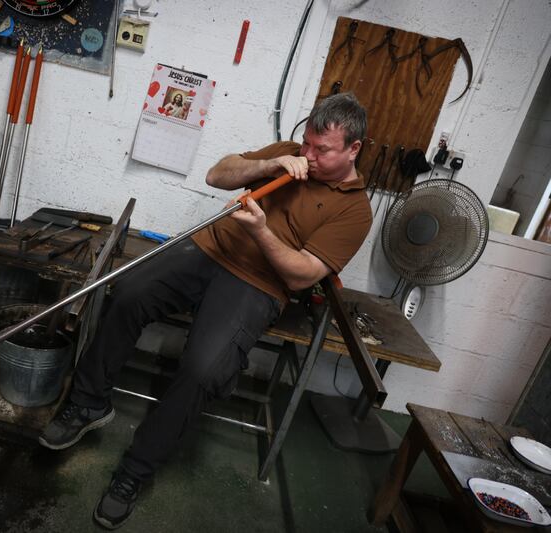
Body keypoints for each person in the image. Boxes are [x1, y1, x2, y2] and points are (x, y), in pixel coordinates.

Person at [39, 92, 373, 529]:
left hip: (258, 283)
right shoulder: (288, 154)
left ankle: (134, 472)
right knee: (128, 294)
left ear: (353, 149)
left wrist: (260, 232)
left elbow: (299, 276)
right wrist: (268, 166)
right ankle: (87, 404)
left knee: (201, 370)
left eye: (321, 150)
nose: (308, 156)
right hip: (207, 248)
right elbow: (219, 174)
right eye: (306, 143)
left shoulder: (355, 211)